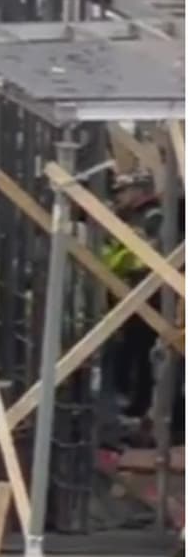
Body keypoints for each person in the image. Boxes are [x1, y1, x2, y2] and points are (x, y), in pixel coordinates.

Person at [101, 168, 164, 420]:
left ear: (139, 191)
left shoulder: (151, 218)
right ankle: (133, 402)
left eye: (123, 191)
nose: (119, 196)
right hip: (134, 292)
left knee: (139, 351)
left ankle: (138, 405)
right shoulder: (132, 216)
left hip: (147, 294)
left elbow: (142, 258)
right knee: (131, 350)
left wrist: (114, 265)